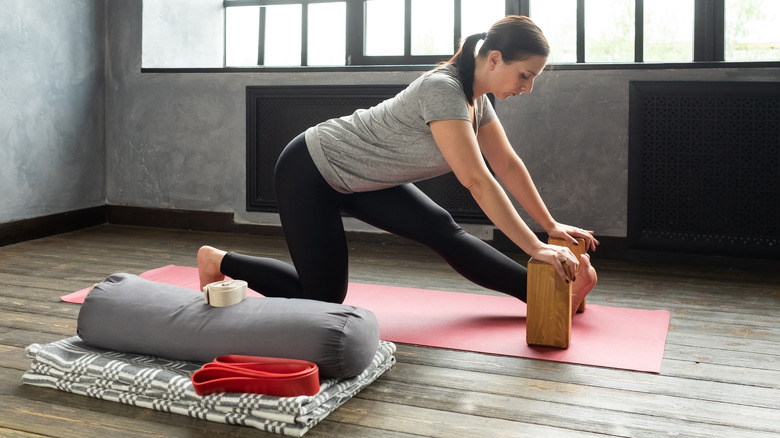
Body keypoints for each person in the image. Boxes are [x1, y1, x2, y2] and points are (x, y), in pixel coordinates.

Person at [198, 15, 598, 314]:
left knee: (443, 230)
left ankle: (543, 294)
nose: (526, 88)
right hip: (311, 169)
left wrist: (550, 227)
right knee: (322, 297)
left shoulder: (476, 102)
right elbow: (478, 180)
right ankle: (218, 261)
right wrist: (534, 246)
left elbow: (507, 165)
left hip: (363, 178)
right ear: (495, 59)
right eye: (525, 76)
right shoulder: (443, 90)